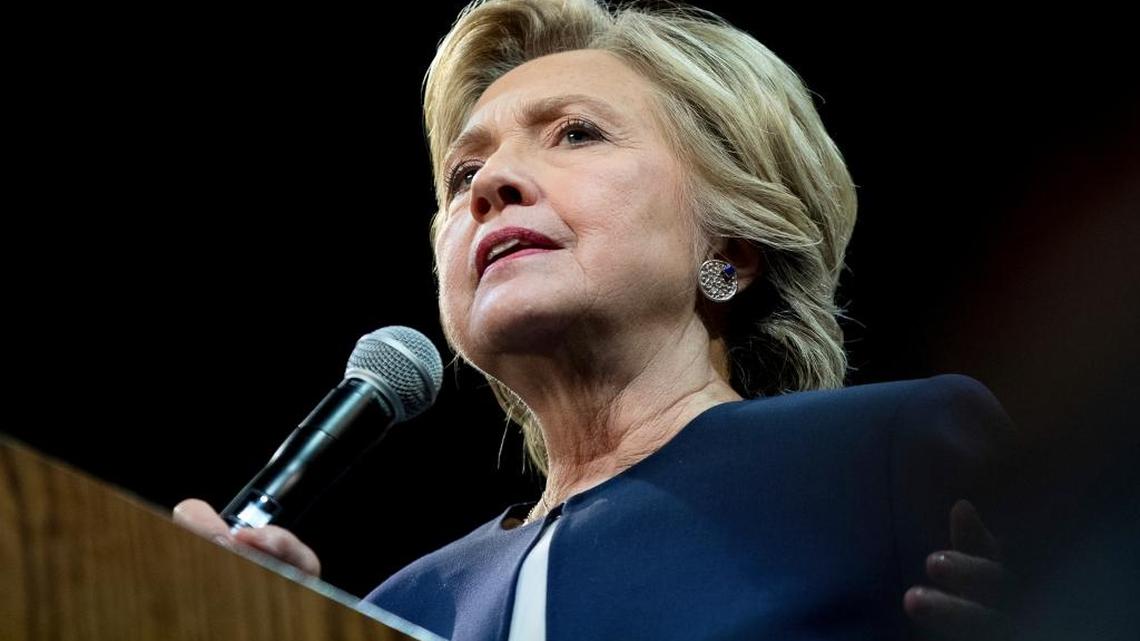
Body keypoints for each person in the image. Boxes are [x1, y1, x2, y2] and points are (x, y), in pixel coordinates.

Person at [174, 1, 1018, 639]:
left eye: (576, 134)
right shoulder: (402, 606)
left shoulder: (884, 462)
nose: (489, 184)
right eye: (466, 168)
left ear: (730, 247)